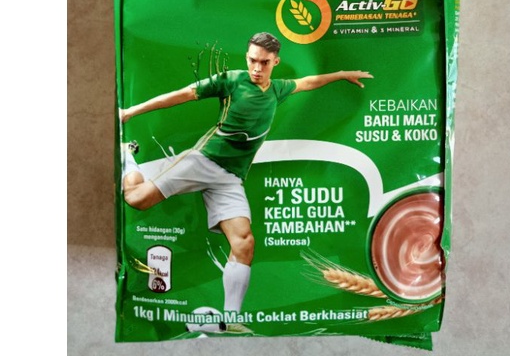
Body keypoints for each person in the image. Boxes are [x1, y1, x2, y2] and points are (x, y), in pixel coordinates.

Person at [119, 31, 372, 332]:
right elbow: (183, 94)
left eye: (264, 62)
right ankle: (127, 155)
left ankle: (231, 320)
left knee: (244, 243)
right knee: (135, 199)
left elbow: (308, 82)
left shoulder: (277, 89)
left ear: (275, 62)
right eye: (252, 60)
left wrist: (341, 75)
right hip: (202, 162)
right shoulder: (231, 80)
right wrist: (130, 112)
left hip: (230, 178)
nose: (256, 67)